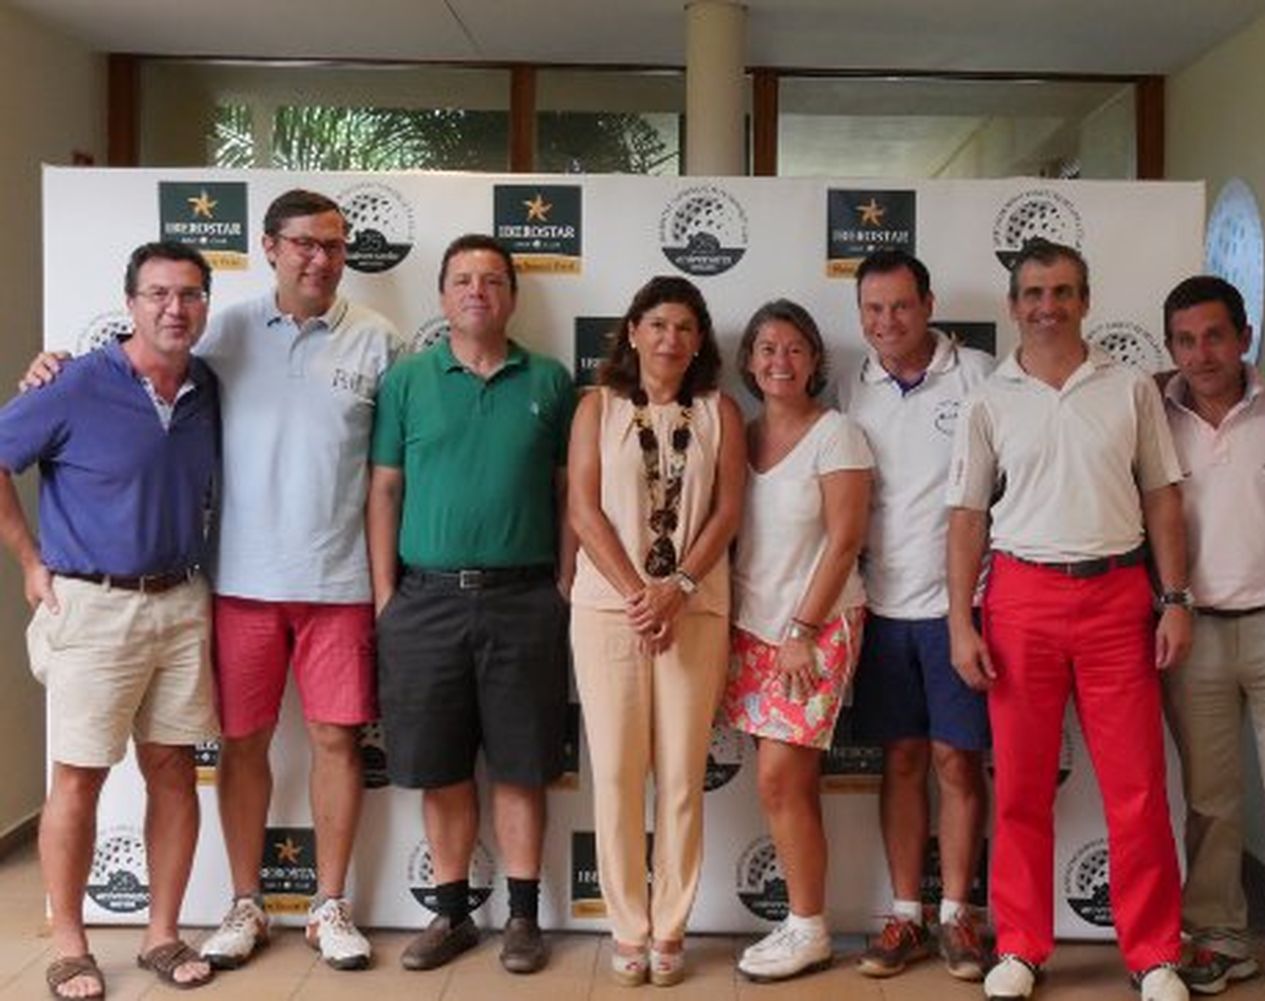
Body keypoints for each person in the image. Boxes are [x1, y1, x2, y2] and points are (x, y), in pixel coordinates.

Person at [22, 189, 399, 972]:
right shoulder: (223, 332)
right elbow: (112, 376)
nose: (318, 258)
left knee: (324, 740)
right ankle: (238, 903)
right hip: (231, 584)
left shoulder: (376, 341)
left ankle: (325, 906)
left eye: (333, 244)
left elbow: (392, 470)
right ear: (269, 247)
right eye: (302, 243)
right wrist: (49, 365)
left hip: (332, 581)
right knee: (233, 744)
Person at [946, 239, 1191, 1001]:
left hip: (1119, 596)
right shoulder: (990, 395)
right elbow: (964, 515)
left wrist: (1175, 597)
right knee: (1020, 786)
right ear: (1013, 305)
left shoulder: (1129, 389)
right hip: (1020, 596)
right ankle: (1020, 943)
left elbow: (1162, 496)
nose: (1047, 306)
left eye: (1062, 291)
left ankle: (1152, 951)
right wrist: (961, 620)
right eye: (1033, 293)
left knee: (1139, 788)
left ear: (1086, 299)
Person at [0, 242, 220, 998]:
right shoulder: (73, 383)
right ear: (129, 304)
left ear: (205, 305)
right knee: (79, 779)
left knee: (173, 769)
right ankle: (69, 944)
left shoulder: (206, 387)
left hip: (182, 601)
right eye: (157, 294)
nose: (173, 308)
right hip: (92, 605)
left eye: (189, 294)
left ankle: (162, 934)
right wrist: (30, 558)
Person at [366, 234, 576, 975]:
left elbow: (568, 492)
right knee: (441, 767)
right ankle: (451, 913)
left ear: (513, 296)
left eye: (492, 279)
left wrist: (565, 586)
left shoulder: (550, 381)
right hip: (424, 602)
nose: (477, 290)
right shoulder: (409, 381)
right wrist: (386, 594)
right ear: (443, 295)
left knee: (520, 767)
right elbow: (385, 489)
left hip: (525, 601)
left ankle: (522, 917)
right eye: (462, 279)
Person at [567, 275, 746, 987]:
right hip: (610, 610)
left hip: (694, 611)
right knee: (614, 774)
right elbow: (583, 508)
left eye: (685, 327)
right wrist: (640, 591)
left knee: (678, 776)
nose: (671, 339)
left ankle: (670, 927)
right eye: (658, 324)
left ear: (699, 340)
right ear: (633, 331)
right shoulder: (598, 408)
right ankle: (628, 929)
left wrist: (678, 587)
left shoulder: (720, 412)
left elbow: (727, 512)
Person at [1157, 276, 1265, 1001]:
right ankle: (1222, 938)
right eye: (1186, 340)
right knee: (1211, 800)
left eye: (1215, 335)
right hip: (1193, 632)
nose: (1202, 354)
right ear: (1170, 346)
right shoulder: (1152, 413)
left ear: (1244, 335)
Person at [842, 250, 993, 982]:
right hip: (881, 606)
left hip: (959, 607)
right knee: (899, 759)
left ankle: (960, 915)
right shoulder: (851, 385)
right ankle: (906, 914)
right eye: (873, 309)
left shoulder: (983, 376)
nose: (887, 322)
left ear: (929, 304)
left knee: (957, 759)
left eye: (900, 306)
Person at [722, 299, 873, 983]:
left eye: (794, 348)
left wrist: (802, 632)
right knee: (783, 785)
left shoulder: (836, 433)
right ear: (749, 363)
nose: (779, 360)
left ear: (815, 360)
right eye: (767, 348)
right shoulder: (742, 433)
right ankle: (799, 919)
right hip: (750, 628)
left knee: (782, 777)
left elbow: (845, 541)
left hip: (812, 630)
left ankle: (810, 927)